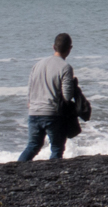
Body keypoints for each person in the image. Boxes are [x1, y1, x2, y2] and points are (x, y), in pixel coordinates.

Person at [19, 33, 85, 162]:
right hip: (52, 114)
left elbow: (30, 90)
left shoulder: (37, 65)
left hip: (34, 111)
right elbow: (67, 96)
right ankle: (55, 173)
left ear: (53, 46)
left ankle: (16, 169)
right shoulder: (65, 67)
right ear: (70, 48)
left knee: (32, 146)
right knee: (57, 148)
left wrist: (31, 104)